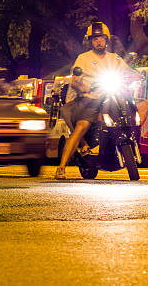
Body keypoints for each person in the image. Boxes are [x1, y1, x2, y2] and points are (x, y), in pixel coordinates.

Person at [55, 22, 132, 180]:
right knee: (81, 127)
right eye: (95, 39)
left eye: (101, 38)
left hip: (110, 98)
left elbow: (128, 71)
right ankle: (62, 167)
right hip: (89, 101)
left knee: (140, 106)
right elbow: (75, 80)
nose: (98, 42)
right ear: (90, 41)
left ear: (106, 40)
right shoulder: (83, 59)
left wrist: (137, 75)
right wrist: (83, 87)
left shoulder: (114, 58)